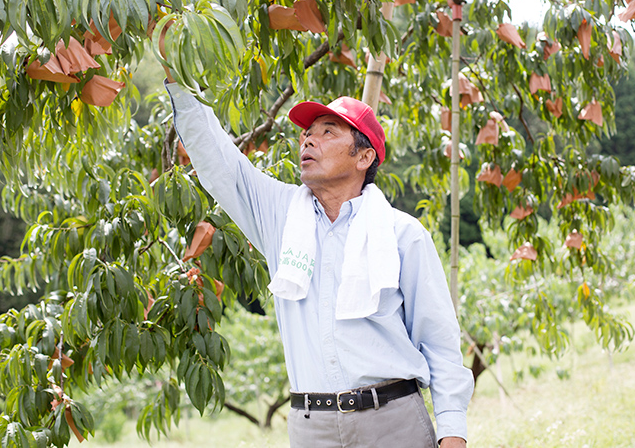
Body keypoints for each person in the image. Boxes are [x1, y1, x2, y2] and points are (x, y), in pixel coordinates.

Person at [159, 42, 474, 447]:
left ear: (364, 158)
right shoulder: (281, 217)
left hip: (392, 423)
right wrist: (176, 72)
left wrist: (452, 435)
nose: (309, 140)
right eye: (307, 133)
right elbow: (220, 162)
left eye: (328, 132)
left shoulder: (401, 235)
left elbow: (440, 343)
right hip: (313, 427)